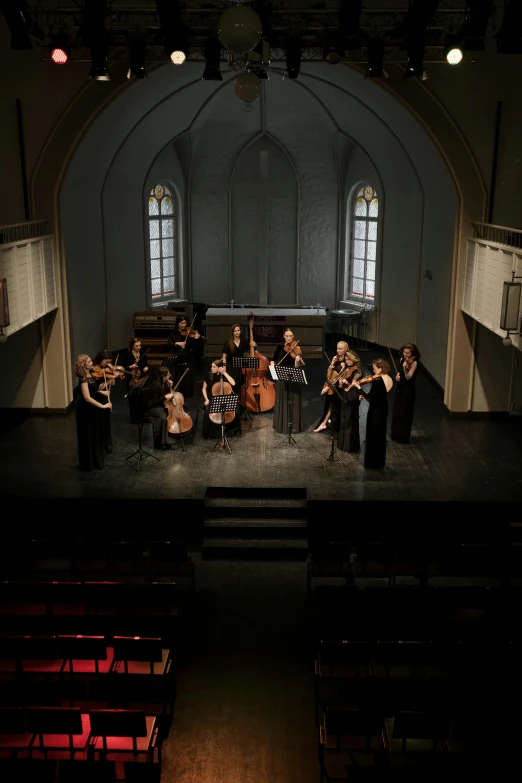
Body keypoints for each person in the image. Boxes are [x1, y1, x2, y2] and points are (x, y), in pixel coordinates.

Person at [352, 358, 393, 469]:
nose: (373, 371)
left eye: (374, 369)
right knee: (380, 434)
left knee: (373, 434)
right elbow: (380, 395)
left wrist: (359, 389)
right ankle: (379, 462)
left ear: (380, 369)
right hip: (383, 408)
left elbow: (371, 398)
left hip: (376, 410)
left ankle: (372, 463)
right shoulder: (388, 378)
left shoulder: (378, 381)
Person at [75, 354, 112, 470]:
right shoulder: (83, 379)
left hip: (91, 408)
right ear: (84, 365)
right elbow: (87, 397)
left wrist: (109, 382)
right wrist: (103, 406)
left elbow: (96, 389)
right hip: (85, 409)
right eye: (89, 362)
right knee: (89, 434)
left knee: (94, 433)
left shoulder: (89, 375)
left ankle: (95, 459)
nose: (92, 363)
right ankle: (89, 463)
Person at [270, 329, 304, 434]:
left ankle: (293, 426)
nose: (289, 338)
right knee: (282, 399)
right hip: (281, 375)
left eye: (291, 336)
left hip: (292, 375)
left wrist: (297, 361)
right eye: (287, 336)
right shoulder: (280, 347)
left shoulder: (297, 348)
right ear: (284, 336)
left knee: (292, 400)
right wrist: (272, 364)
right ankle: (281, 424)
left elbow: (297, 366)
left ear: (293, 337)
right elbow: (273, 359)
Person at [314, 341, 351, 433]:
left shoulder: (348, 360)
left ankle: (326, 424)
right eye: (337, 348)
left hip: (340, 387)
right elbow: (328, 374)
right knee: (328, 406)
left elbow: (343, 376)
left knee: (334, 406)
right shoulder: (336, 358)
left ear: (346, 349)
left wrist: (343, 368)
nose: (338, 350)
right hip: (332, 385)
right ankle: (326, 422)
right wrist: (332, 363)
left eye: (340, 349)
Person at [201, 360, 241, 440]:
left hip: (225, 399)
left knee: (236, 409)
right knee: (207, 410)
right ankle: (210, 433)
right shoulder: (208, 375)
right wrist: (206, 399)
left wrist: (224, 373)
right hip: (212, 399)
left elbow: (233, 383)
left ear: (220, 368)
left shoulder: (225, 375)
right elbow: (204, 389)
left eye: (214, 367)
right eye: (211, 366)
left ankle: (233, 431)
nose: (211, 368)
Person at [92, 350, 123, 454]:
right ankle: (99, 445)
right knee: (99, 422)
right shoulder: (94, 370)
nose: (107, 364)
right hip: (98, 398)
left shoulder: (106, 369)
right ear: (101, 359)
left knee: (106, 422)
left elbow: (112, 384)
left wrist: (113, 377)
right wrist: (110, 379)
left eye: (109, 362)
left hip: (105, 397)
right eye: (106, 361)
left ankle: (106, 444)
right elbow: (98, 388)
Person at [391, 343, 421, 444]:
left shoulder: (414, 363)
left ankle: (403, 437)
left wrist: (404, 368)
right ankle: (395, 435)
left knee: (405, 412)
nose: (405, 355)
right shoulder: (401, 360)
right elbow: (399, 374)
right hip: (400, 388)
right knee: (397, 411)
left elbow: (408, 377)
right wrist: (397, 377)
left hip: (408, 390)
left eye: (407, 353)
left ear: (413, 354)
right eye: (404, 352)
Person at [168, 315, 200, 399]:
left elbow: (194, 347)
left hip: (187, 357)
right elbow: (167, 346)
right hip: (177, 358)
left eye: (185, 323)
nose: (184, 325)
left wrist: (195, 339)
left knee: (187, 379)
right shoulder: (172, 334)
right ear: (177, 324)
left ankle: (185, 397)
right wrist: (177, 343)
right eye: (182, 323)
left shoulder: (188, 333)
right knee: (177, 378)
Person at [337, 352, 363, 453]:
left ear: (354, 360)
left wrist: (346, 382)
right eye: (346, 359)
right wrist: (342, 373)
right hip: (345, 395)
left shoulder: (357, 371)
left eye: (348, 359)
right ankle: (343, 444)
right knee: (344, 417)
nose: (346, 361)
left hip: (352, 397)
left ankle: (350, 446)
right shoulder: (347, 368)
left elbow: (352, 386)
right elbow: (340, 381)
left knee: (350, 419)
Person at [121, 338, 150, 421]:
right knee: (133, 398)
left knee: (142, 397)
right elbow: (124, 367)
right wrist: (131, 367)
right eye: (136, 346)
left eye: (140, 345)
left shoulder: (143, 353)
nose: (139, 347)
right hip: (132, 378)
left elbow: (146, 364)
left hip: (142, 377)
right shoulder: (128, 355)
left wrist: (146, 368)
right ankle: (134, 417)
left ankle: (143, 416)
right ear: (132, 346)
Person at [222, 324, 255, 391]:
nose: (237, 332)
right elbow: (224, 356)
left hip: (240, 366)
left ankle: (240, 399)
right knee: (232, 385)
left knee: (240, 384)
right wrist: (224, 366)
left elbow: (252, 349)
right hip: (230, 366)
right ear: (232, 332)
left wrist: (254, 344)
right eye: (235, 331)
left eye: (238, 330)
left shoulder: (244, 341)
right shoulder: (228, 342)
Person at [148, 367, 174, 449]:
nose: (170, 375)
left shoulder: (164, 383)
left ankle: (169, 437)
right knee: (163, 418)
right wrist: (166, 397)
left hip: (161, 405)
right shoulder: (155, 385)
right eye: (168, 374)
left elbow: (164, 393)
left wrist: (169, 386)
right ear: (164, 376)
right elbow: (155, 401)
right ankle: (162, 442)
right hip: (154, 407)